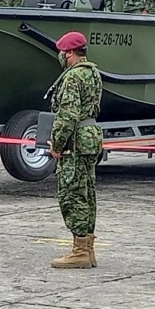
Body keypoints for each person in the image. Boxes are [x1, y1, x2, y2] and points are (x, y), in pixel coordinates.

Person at [48, 31, 103, 269]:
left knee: (72, 194)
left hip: (76, 141)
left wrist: (57, 145)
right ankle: (87, 247)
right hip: (90, 136)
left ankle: (80, 250)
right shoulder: (93, 72)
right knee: (87, 192)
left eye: (63, 52)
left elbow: (67, 115)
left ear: (69, 53)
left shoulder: (72, 77)